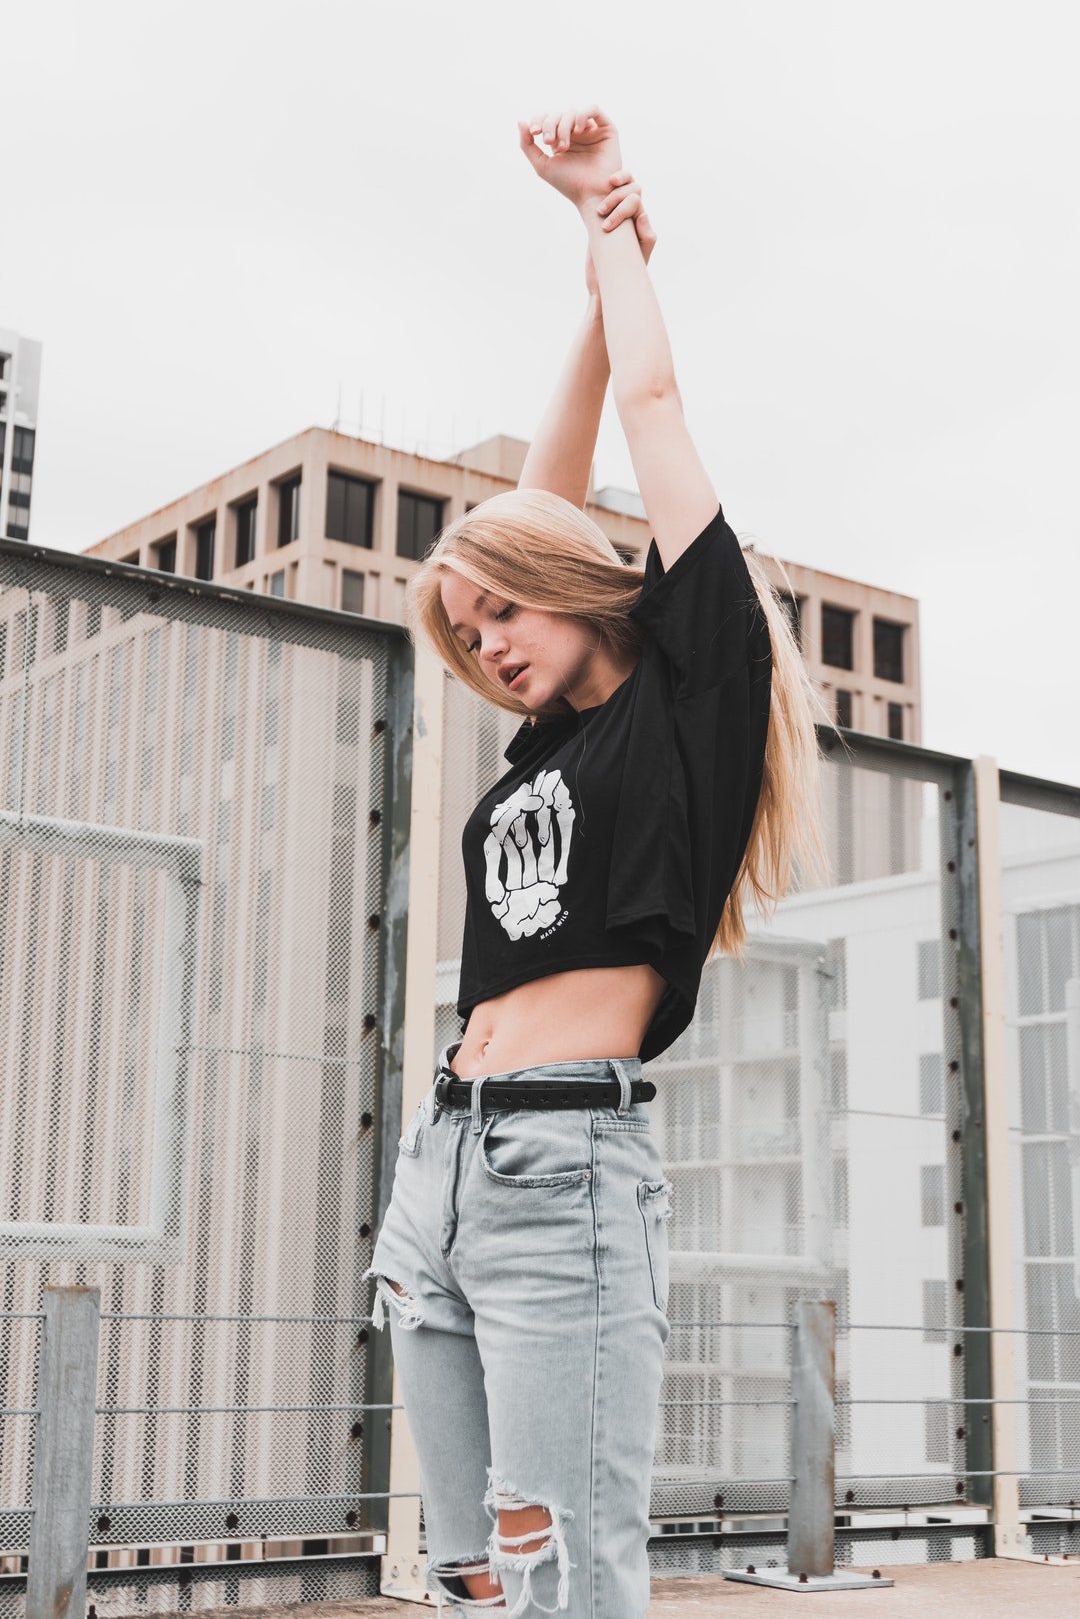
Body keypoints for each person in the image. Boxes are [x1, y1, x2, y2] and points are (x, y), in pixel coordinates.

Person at [367, 107, 822, 1619]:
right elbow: (536, 489)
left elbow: (652, 396)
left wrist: (620, 230)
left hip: (567, 1167)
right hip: (449, 1160)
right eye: (465, 633)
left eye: (499, 614)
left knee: (566, 1566)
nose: (486, 647)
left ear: (573, 588)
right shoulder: (544, 745)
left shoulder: (693, 696)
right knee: (466, 1572)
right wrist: (582, 254)